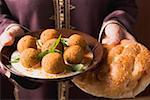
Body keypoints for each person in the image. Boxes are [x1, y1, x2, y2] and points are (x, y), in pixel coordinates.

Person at [0, 0, 137, 99]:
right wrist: (7, 29)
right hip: (31, 89)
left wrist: (116, 23)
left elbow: (124, 3)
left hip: (94, 80)